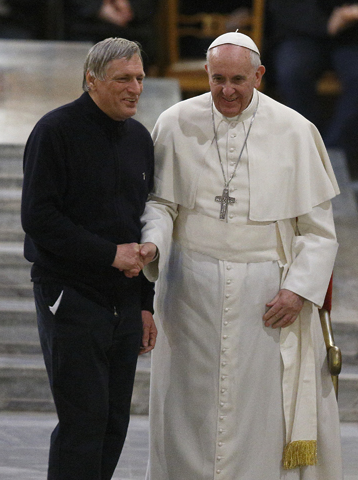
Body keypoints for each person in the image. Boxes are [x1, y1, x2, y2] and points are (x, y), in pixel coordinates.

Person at [137, 31, 343, 479]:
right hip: (188, 293)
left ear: (260, 76)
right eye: (216, 80)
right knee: (188, 408)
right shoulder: (174, 122)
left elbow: (318, 231)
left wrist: (297, 290)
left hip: (266, 298)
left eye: (237, 80)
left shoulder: (294, 130)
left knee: (259, 412)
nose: (226, 91)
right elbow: (161, 203)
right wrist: (152, 244)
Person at [21, 37, 157, 480]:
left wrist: (145, 304)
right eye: (123, 78)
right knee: (84, 421)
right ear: (91, 80)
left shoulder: (139, 138)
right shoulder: (55, 131)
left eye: (138, 77)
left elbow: (142, 224)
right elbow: (38, 218)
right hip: (70, 294)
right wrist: (108, 255)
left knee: (114, 422)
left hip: (123, 299)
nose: (135, 87)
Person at [266, 0, 358, 176]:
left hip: (353, 36)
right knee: (291, 71)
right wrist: (326, 23)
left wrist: (350, 13)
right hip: (302, 31)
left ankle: (331, 156)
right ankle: (306, 148)